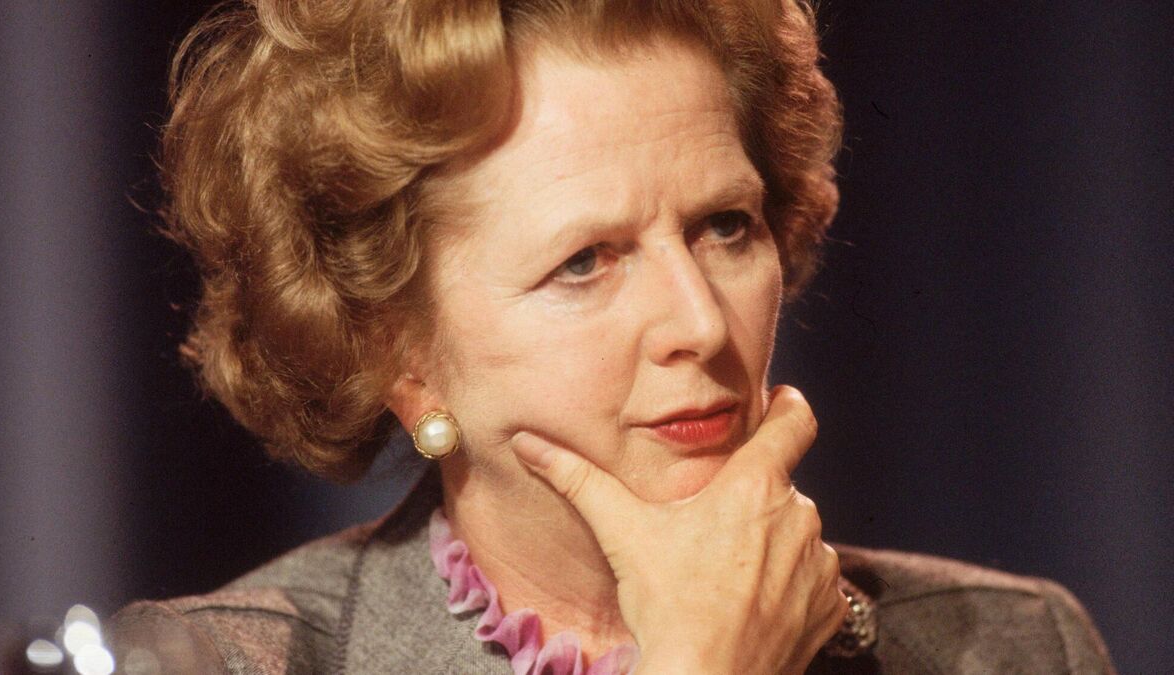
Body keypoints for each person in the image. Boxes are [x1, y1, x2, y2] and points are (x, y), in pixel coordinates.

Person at [109, 1, 1117, 672]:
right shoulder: (228, 663)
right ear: (397, 354)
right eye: (585, 260)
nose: (699, 324)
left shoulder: (1018, 646)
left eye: (726, 226)